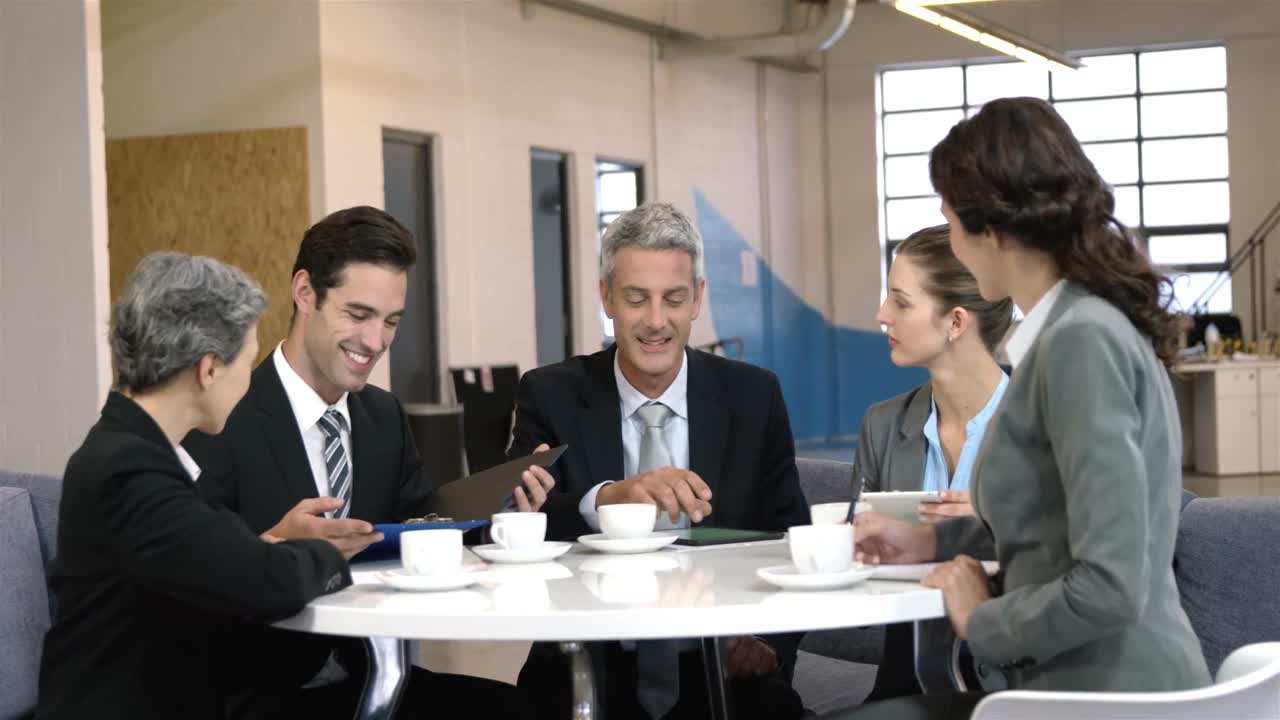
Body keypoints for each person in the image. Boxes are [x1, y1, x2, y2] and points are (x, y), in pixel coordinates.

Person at [839, 97, 1211, 719]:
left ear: (994, 230)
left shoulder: (1079, 342)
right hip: (1075, 683)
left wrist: (981, 620)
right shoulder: (1073, 329)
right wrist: (927, 540)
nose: (953, 242)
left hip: (1109, 694)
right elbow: (1052, 526)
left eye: (953, 222)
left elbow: (1109, 584)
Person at [184, 206, 541, 718]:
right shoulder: (221, 416)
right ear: (305, 292)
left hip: (375, 678)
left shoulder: (382, 418)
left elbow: (421, 533)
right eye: (358, 315)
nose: (375, 343)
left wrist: (501, 522)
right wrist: (272, 552)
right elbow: (190, 586)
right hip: (262, 694)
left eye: (390, 321)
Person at [508, 201, 810, 720]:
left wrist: (766, 642)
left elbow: (793, 540)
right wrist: (606, 500)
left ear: (697, 300)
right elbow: (512, 525)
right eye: (635, 299)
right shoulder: (549, 394)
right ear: (606, 298)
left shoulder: (754, 396)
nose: (655, 322)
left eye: (673, 299)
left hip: (722, 664)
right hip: (587, 662)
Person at [35, 253, 352, 720]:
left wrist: (273, 541)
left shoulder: (125, 449)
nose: (249, 381)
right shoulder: (128, 470)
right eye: (247, 362)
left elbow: (192, 558)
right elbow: (269, 583)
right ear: (208, 370)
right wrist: (335, 555)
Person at [854, 224, 1013, 701]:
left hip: (1013, 679)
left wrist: (987, 528)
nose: (882, 315)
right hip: (908, 683)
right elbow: (855, 560)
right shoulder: (883, 425)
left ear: (956, 322)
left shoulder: (1047, 424)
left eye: (900, 303)